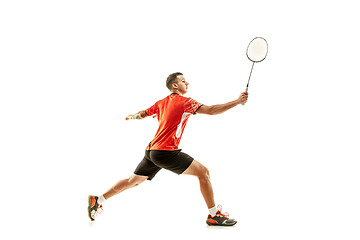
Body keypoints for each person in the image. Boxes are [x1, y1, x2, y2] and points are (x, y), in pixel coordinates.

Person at [88, 72, 248, 226]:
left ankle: (98, 200)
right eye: (184, 80)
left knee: (133, 181)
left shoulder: (161, 102)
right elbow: (212, 110)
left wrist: (131, 116)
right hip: (165, 152)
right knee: (203, 173)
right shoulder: (186, 102)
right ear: (175, 85)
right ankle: (214, 216)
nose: (187, 83)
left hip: (151, 152)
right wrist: (236, 101)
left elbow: (143, 114)